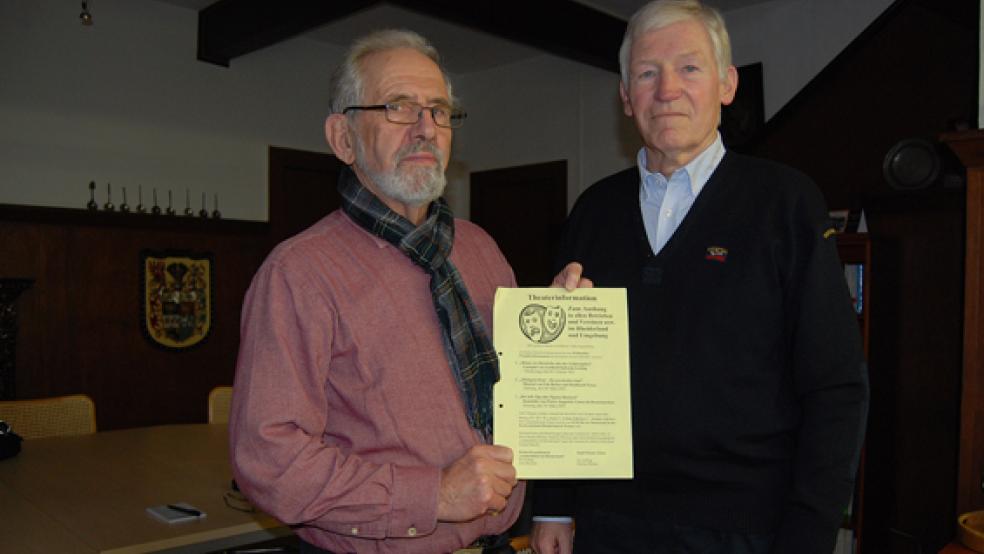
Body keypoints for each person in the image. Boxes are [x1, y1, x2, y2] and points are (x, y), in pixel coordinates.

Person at [532, 1, 869, 553]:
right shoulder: (592, 211)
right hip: (605, 524)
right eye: (646, 72)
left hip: (745, 530)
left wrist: (808, 535)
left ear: (727, 84)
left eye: (689, 67)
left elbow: (836, 388)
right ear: (624, 95)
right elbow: (563, 377)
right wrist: (553, 504)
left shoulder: (785, 203)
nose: (666, 89)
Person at [229, 29, 524, 554]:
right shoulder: (300, 273)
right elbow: (271, 460)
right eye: (398, 107)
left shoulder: (481, 252)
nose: (425, 128)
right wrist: (432, 495)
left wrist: (565, 328)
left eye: (438, 110)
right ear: (343, 138)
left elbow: (522, 398)